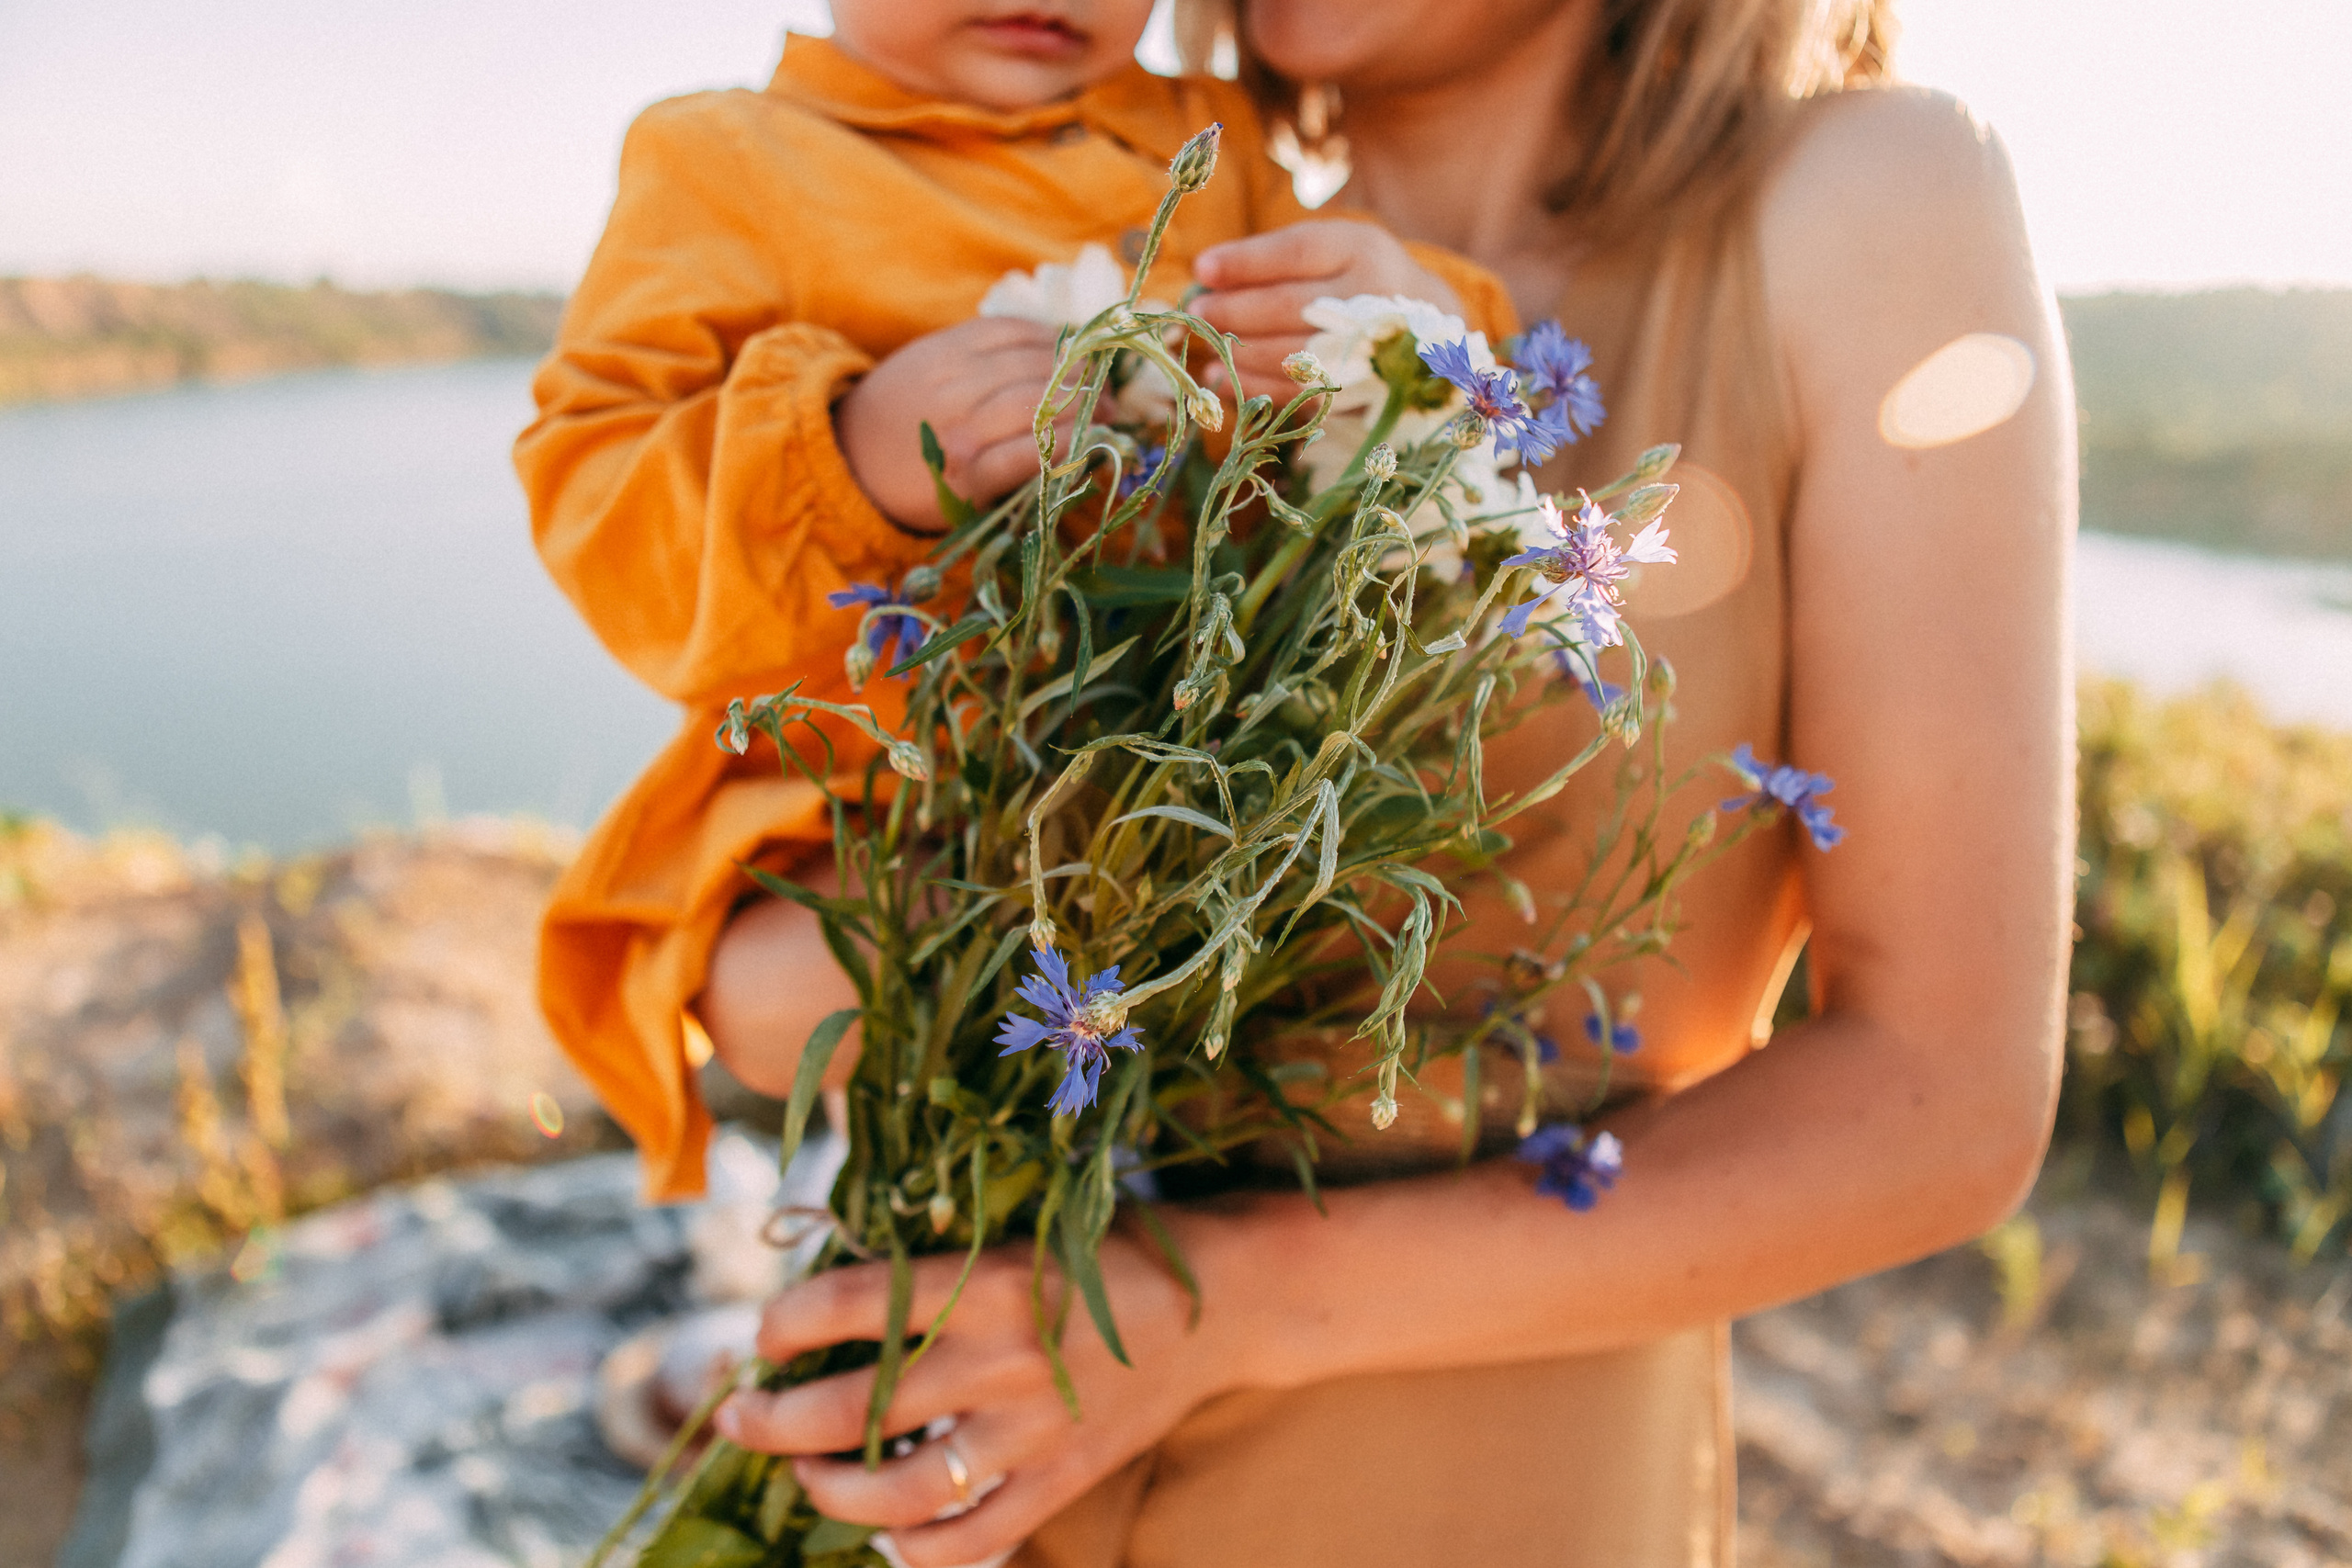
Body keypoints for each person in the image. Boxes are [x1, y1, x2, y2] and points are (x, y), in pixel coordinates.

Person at [702, 1, 2076, 1565]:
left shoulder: (1867, 199)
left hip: (1458, 1503)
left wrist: (1194, 1313)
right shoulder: (1112, 208)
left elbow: (1945, 1102)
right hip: (954, 1481)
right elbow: (756, 927)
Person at [515, 0, 1516, 1201]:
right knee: (823, 978)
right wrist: (850, 451)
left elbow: (1387, 374)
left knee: (1290, 919)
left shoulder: (1216, 142)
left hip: (1188, 756)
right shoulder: (727, 156)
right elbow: (596, 489)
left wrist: (1400, 315)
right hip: (876, 788)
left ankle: (1095, 1190)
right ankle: (900, 1200)